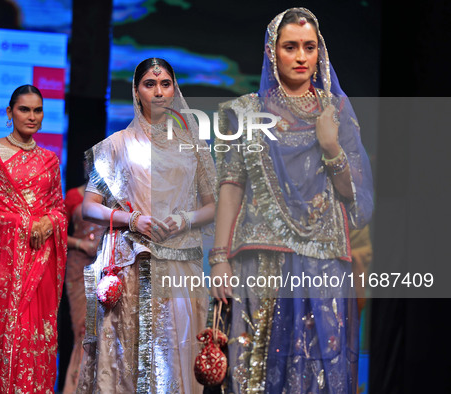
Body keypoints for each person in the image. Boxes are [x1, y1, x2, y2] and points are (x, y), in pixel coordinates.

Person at [210, 8, 373, 393]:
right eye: (290, 47)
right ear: (272, 52)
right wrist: (218, 259)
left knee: (316, 374)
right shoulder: (244, 113)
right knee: (253, 374)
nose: (301, 56)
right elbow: (230, 186)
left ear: (320, 53)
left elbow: (356, 197)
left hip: (322, 264)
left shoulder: (336, 112)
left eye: (309, 47)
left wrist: (331, 146)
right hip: (258, 259)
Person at [77, 58, 216, 393]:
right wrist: (132, 219)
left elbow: (214, 206)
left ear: (174, 89)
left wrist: (184, 218)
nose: (158, 92)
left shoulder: (193, 145)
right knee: (127, 356)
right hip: (130, 265)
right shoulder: (115, 145)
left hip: (179, 263)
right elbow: (89, 207)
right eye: (150, 84)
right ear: (137, 91)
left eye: (165, 84)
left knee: (174, 352)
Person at [0, 85, 68, 393]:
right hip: (6, 270)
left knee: (38, 340)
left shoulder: (50, 160)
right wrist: (21, 224)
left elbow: (59, 210)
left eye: (38, 110)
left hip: (40, 264)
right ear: (9, 113)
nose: (32, 116)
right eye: (24, 109)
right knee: (8, 341)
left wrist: (49, 222)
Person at [62, 183, 104, 393]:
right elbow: (58, 232)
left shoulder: (115, 192)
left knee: (102, 327)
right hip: (79, 265)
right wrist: (80, 244)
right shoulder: (73, 196)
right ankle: (77, 387)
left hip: (106, 265)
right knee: (83, 328)